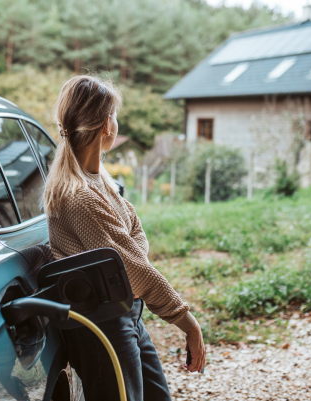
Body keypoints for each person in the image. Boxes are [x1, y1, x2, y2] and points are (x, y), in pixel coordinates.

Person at [43, 75, 205, 401]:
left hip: (124, 312)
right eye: (115, 115)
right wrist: (189, 324)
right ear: (107, 125)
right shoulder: (79, 196)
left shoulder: (99, 179)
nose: (116, 122)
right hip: (102, 328)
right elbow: (135, 269)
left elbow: (133, 240)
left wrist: (128, 257)